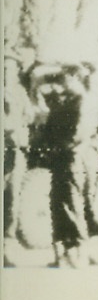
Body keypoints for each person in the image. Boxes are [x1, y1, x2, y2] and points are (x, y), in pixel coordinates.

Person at [41, 63, 98, 268]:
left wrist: (59, 146)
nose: (62, 83)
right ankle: (63, 252)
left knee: (74, 203)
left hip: (74, 157)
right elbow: (49, 129)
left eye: (66, 79)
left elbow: (79, 133)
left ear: (76, 79)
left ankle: (80, 251)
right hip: (62, 158)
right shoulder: (64, 102)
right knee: (59, 203)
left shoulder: (83, 102)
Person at [3, 49, 35, 266]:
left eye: (11, 68)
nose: (7, 71)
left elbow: (30, 116)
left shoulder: (20, 92)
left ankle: (8, 243)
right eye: (4, 68)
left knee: (13, 198)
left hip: (16, 153)